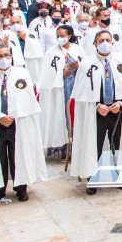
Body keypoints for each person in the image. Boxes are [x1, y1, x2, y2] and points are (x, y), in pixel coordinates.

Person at [69, 30, 122, 193]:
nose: (105, 43)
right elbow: (82, 93)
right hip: (97, 112)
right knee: (94, 145)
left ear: (112, 43)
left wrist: (120, 103)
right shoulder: (86, 64)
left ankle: (119, 175)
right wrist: (97, 105)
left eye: (108, 40)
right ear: (95, 43)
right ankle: (93, 178)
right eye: (101, 40)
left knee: (117, 145)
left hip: (117, 111)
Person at [0, 45, 47, 203]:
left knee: (18, 155)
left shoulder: (22, 73)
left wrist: (15, 114)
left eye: (6, 55)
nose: (3, 58)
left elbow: (27, 100)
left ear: (11, 57)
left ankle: (21, 188)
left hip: (18, 123)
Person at [37, 25, 82, 153]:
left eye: (62, 36)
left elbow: (85, 68)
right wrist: (61, 74)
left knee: (74, 116)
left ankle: (75, 147)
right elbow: (46, 73)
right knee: (60, 116)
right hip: (58, 90)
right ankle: (60, 147)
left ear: (69, 35)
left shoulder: (78, 49)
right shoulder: (51, 52)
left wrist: (77, 67)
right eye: (57, 36)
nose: (59, 38)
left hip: (74, 88)